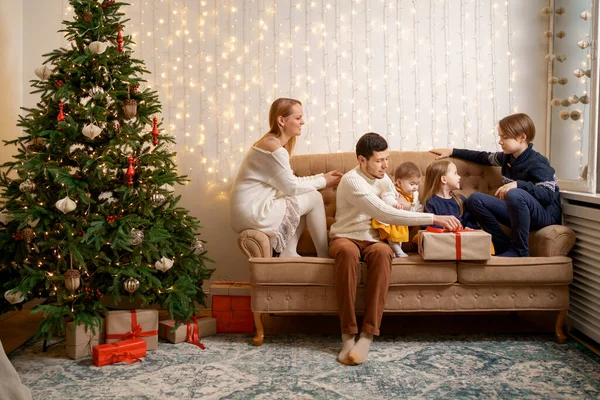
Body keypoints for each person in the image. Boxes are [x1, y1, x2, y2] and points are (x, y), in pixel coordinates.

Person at [329, 132, 461, 366]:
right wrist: (434, 218)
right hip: (345, 236)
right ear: (362, 160)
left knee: (383, 253)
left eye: (386, 158)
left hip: (374, 240)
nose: (385, 165)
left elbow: (389, 195)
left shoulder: (383, 178)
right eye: (379, 160)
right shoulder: (352, 180)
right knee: (347, 253)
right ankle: (348, 335)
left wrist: (393, 198)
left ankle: (368, 335)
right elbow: (382, 212)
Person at [430, 113, 562, 257]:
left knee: (514, 193)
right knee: (475, 199)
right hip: (518, 212)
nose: (500, 141)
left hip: (544, 216)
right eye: (500, 137)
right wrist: (452, 151)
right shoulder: (507, 158)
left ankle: (520, 251)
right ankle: (503, 247)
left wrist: (518, 184)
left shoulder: (537, 162)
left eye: (505, 137)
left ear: (522, 137)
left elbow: (547, 196)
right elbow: (483, 157)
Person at [230, 98, 342, 257]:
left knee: (304, 198)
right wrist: (324, 181)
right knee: (315, 198)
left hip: (250, 211)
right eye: (298, 118)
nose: (302, 122)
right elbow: (292, 188)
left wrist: (321, 177)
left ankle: (289, 251)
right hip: (254, 211)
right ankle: (325, 256)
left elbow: (291, 183)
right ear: (281, 120)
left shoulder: (270, 143)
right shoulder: (273, 148)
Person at [372, 162, 423, 257]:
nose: (415, 187)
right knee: (393, 232)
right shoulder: (393, 190)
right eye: (412, 184)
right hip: (389, 218)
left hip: (401, 220)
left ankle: (396, 250)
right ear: (399, 182)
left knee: (399, 233)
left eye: (417, 184)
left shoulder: (414, 194)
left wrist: (420, 211)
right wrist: (394, 203)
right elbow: (387, 197)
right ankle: (397, 250)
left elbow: (416, 205)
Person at [421, 160, 480, 230]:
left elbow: (470, 222)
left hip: (462, 239)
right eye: (455, 173)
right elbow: (427, 228)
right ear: (444, 179)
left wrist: (469, 228)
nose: (459, 177)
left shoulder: (461, 200)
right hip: (442, 240)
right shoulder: (430, 203)